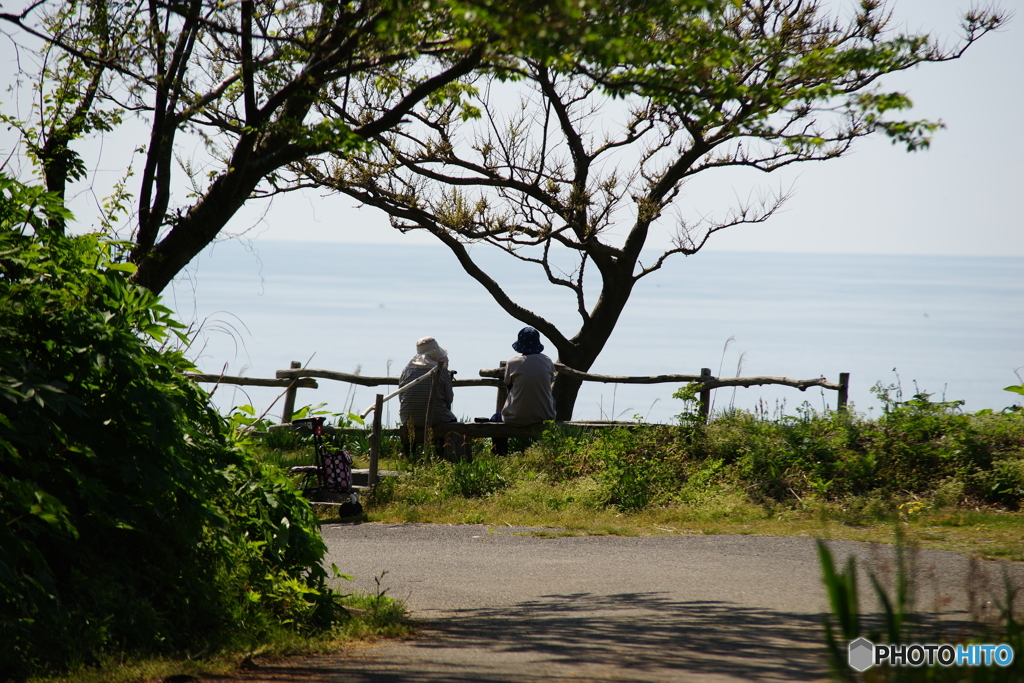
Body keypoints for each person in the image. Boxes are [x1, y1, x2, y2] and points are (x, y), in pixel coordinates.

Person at [499, 327, 556, 425]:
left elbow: (508, 384)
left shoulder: (512, 363)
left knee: (494, 419)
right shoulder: (547, 361)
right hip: (545, 417)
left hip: (515, 417)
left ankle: (499, 441)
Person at [398, 336, 458, 427]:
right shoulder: (441, 370)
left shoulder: (407, 370)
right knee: (452, 422)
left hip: (408, 419)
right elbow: (449, 399)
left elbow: (401, 396)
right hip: (438, 419)